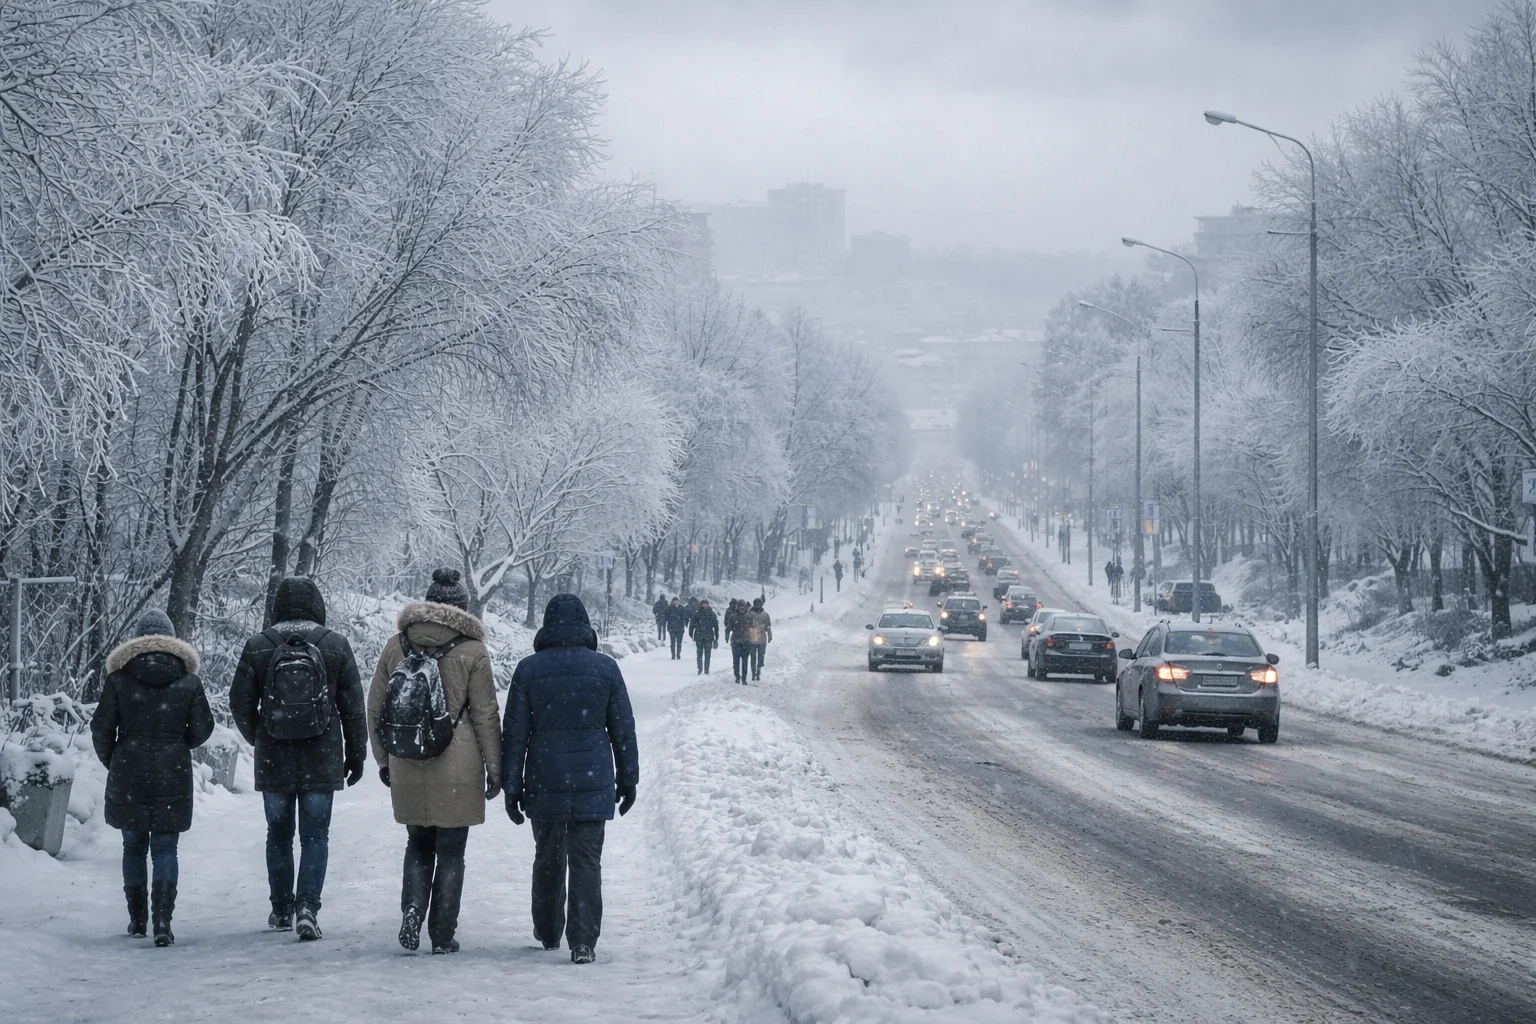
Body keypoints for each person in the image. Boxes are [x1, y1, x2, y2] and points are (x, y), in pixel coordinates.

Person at [367, 568, 502, 955]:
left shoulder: (397, 645)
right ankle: (442, 933)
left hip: (407, 756)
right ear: (462, 608)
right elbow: (485, 715)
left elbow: (375, 706)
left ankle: (412, 908)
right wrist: (496, 768)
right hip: (456, 763)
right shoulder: (474, 650)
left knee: (418, 843)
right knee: (452, 850)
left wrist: (383, 760)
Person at [501, 594, 639, 965]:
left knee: (547, 857)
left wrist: (511, 787)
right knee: (586, 861)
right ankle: (582, 941)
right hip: (593, 779)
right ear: (585, 625)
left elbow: (514, 734)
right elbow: (623, 730)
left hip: (544, 777)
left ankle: (548, 930)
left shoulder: (529, 670)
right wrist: (628, 780)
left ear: (546, 626)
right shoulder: (606, 668)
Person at [230, 577, 367, 940]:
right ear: (317, 605)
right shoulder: (335, 644)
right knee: (315, 834)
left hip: (274, 755)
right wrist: (356, 754)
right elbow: (353, 708)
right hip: (322, 756)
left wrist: (260, 736)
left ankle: (280, 908)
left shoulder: (259, 645)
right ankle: (308, 906)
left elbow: (239, 703)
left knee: (278, 834)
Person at [91, 609, 215, 947]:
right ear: (171, 640)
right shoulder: (189, 681)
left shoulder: (119, 679)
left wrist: (114, 759)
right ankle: (163, 922)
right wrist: (177, 744)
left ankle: (137, 919)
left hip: (127, 769)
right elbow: (204, 727)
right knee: (165, 848)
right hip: (171, 771)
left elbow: (101, 728)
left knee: (132, 847)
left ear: (137, 639)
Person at [745, 597, 772, 681]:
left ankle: (758, 670)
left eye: (759, 603)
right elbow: (746, 625)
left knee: (761, 656)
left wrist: (770, 635)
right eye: (756, 603)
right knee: (753, 657)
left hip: (762, 638)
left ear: (761, 604)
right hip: (752, 637)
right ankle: (753, 673)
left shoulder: (765, 615)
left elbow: (768, 626)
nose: (757, 605)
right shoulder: (749, 614)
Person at [689, 599, 719, 675]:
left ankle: (706, 669)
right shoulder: (697, 614)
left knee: (708, 654)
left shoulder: (712, 614)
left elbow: (716, 626)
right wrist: (691, 633)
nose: (705, 605)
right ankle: (700, 669)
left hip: (709, 636)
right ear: (701, 605)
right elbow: (692, 624)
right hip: (699, 636)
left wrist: (716, 636)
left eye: (706, 604)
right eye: (703, 604)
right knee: (699, 654)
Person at [726, 599, 750, 684]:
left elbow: (754, 628)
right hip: (736, 642)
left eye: (743, 606)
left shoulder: (749, 616)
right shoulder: (733, 616)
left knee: (745, 662)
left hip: (746, 642)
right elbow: (728, 628)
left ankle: (744, 678)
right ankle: (737, 677)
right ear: (737, 607)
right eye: (740, 606)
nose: (742, 607)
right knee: (736, 662)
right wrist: (727, 636)